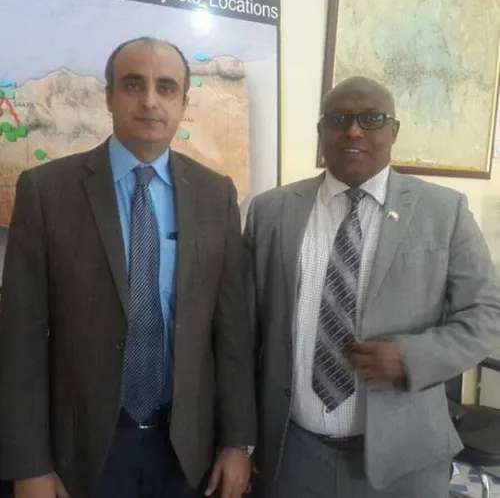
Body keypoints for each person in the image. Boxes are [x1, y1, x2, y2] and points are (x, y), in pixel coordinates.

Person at [0, 37, 256, 498]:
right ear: (109, 96)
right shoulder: (47, 191)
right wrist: (29, 464)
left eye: (166, 87)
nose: (150, 101)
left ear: (183, 103)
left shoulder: (216, 194)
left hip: (187, 450)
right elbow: (21, 338)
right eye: (134, 84)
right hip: (82, 450)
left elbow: (232, 332)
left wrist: (238, 442)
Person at [244, 76, 500, 498]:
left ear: (394, 131)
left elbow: (486, 315)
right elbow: (244, 331)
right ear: (321, 131)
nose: (353, 131)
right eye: (338, 119)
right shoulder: (271, 211)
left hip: (406, 460)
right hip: (291, 456)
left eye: (372, 119)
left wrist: (411, 357)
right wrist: (240, 439)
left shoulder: (444, 211)